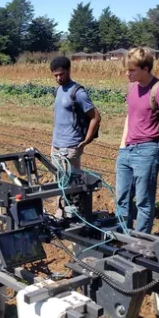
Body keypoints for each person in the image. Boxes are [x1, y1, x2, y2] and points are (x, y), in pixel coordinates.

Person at [115, 47, 159, 234]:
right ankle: (122, 238)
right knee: (122, 199)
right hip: (126, 150)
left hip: (147, 151)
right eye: (126, 69)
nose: (127, 73)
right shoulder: (131, 87)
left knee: (143, 201)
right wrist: (122, 145)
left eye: (131, 70)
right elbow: (130, 117)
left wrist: (153, 144)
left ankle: (140, 242)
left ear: (145, 68)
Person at [50, 55, 100, 217]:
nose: (58, 78)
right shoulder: (58, 90)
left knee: (71, 183)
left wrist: (86, 140)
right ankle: (60, 212)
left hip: (71, 146)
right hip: (56, 145)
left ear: (69, 71)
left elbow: (95, 116)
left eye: (61, 74)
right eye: (55, 75)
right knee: (59, 181)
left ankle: (73, 215)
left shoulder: (78, 92)